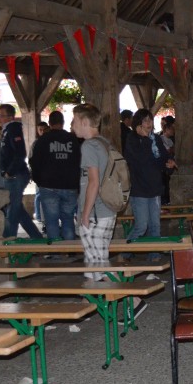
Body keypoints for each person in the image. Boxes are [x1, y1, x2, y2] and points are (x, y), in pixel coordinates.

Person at [124, 109, 175, 262]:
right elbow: (141, 160)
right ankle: (125, 251)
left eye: (150, 120)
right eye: (145, 120)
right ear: (138, 123)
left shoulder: (156, 139)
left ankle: (154, 255)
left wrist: (169, 164)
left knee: (155, 225)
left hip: (155, 187)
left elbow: (162, 159)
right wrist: (146, 139)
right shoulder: (132, 139)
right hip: (139, 189)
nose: (149, 124)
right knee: (141, 226)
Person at [72, 103, 116, 279]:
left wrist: (85, 214)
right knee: (95, 264)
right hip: (107, 210)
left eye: (75, 121)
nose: (72, 125)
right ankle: (92, 295)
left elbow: (93, 182)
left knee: (99, 266)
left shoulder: (89, 146)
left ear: (84, 122)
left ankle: (128, 294)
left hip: (95, 213)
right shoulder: (105, 143)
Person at [29, 110, 81, 240]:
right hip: (70, 185)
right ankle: (69, 248)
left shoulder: (42, 140)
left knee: (51, 221)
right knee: (68, 219)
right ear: (63, 122)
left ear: (49, 123)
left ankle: (56, 249)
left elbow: (34, 163)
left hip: (48, 185)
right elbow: (80, 162)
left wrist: (39, 181)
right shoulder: (73, 139)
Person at [0, 104, 42, 240]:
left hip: (15, 176)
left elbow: (20, 153)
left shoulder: (13, 129)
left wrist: (9, 172)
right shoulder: (7, 130)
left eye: (1, 116)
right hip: (12, 175)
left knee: (12, 210)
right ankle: (37, 237)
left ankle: (9, 239)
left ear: (10, 117)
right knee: (18, 210)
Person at [32, 121, 49, 224]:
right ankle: (39, 216)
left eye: (44, 129)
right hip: (40, 173)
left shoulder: (49, 141)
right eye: (40, 130)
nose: (42, 132)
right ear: (37, 131)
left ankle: (42, 217)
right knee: (39, 195)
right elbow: (31, 157)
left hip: (47, 174)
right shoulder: (36, 143)